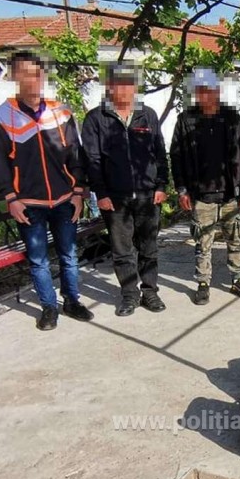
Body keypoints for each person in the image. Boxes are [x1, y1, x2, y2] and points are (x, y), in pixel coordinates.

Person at [0, 51, 93, 331]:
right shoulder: (1, 116)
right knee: (38, 259)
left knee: (69, 254)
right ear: (13, 77)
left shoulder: (61, 112)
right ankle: (49, 308)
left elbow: (76, 157)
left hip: (64, 199)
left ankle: (72, 300)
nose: (31, 79)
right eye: (23, 73)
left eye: (35, 73)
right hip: (28, 202)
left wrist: (79, 192)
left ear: (42, 75)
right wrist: (11, 198)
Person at [82, 62, 168, 317]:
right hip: (115, 199)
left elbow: (159, 153)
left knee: (149, 247)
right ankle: (130, 295)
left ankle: (150, 291)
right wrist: (101, 193)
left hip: (147, 195)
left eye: (129, 84)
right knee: (122, 251)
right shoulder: (96, 118)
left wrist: (162, 185)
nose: (124, 89)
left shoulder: (147, 115)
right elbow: (92, 159)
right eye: (118, 84)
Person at [170, 68, 240, 305]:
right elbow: (176, 156)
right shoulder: (185, 120)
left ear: (217, 90)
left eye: (210, 89)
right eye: (200, 90)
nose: (206, 95)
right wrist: (182, 189)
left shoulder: (232, 118)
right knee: (202, 243)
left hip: (229, 194)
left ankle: (238, 280)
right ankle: (203, 283)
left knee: (235, 239)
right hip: (201, 196)